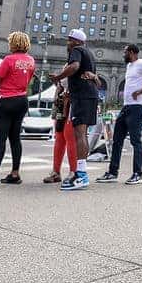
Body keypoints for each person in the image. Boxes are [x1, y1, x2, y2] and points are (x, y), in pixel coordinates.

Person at [97, 45, 142, 185]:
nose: (123, 54)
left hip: (138, 107)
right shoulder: (129, 66)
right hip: (126, 107)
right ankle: (113, 173)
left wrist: (141, 91)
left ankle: (137, 174)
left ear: (132, 52)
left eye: (125, 52)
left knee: (135, 141)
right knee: (117, 140)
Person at [0, 31, 36, 187]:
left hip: (5, 100)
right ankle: (15, 173)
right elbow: (28, 79)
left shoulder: (8, 59)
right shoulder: (31, 60)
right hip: (22, 100)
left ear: (13, 43)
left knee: (1, 139)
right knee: (15, 138)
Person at [50, 29, 99, 191]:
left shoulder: (76, 51)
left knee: (78, 135)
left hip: (80, 97)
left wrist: (58, 77)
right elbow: (96, 79)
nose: (68, 43)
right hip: (89, 96)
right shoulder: (90, 54)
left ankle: (81, 175)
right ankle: (80, 173)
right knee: (80, 134)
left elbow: (74, 66)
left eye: (70, 40)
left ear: (77, 41)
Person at [43, 81, 77, 183]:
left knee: (70, 136)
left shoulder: (77, 64)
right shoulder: (67, 65)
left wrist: (59, 78)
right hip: (61, 101)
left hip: (72, 102)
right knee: (59, 137)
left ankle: (73, 172)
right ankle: (56, 172)